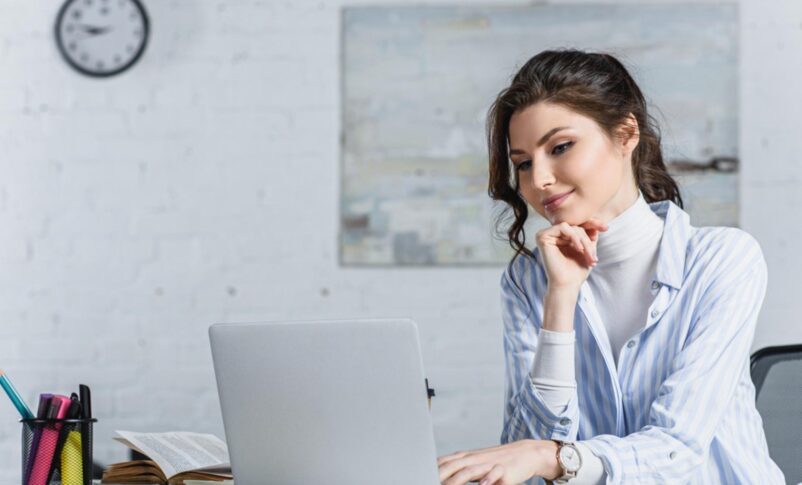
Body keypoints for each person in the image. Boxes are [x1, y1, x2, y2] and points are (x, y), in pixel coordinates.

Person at [436, 48, 785, 485]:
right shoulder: (529, 281)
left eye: (560, 147)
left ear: (625, 135)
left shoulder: (722, 260)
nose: (539, 179)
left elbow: (678, 448)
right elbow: (526, 453)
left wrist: (551, 457)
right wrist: (559, 301)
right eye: (523, 163)